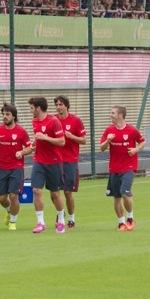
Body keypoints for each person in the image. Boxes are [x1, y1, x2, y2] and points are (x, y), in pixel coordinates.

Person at [100, 105, 145, 231]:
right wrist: (107, 141)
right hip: (114, 168)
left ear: (120, 115)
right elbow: (102, 148)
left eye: (113, 113)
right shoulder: (109, 130)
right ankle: (121, 222)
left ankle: (130, 218)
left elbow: (142, 141)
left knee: (125, 192)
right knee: (116, 197)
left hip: (129, 167)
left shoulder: (132, 130)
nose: (111, 115)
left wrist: (136, 149)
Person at [29, 97, 67, 234]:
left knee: (54, 195)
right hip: (39, 161)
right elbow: (39, 139)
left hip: (54, 162)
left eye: (32, 108)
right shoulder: (34, 121)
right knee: (36, 190)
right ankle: (40, 222)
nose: (31, 111)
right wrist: (34, 143)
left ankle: (61, 220)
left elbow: (62, 141)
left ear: (38, 108)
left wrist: (45, 138)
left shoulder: (54, 121)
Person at [0, 103, 31, 231]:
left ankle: (13, 221)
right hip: (2, 168)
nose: (5, 117)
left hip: (16, 168)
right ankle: (9, 211)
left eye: (7, 114)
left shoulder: (21, 131)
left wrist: (22, 152)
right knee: (2, 198)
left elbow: (30, 147)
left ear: (14, 116)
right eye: (3, 114)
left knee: (13, 196)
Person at [54, 96, 86, 229]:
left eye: (61, 104)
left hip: (70, 161)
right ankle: (60, 213)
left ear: (66, 105)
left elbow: (83, 140)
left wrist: (71, 136)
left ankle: (71, 217)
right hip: (55, 160)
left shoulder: (76, 120)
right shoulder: (53, 120)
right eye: (56, 104)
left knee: (68, 192)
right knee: (55, 191)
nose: (58, 107)